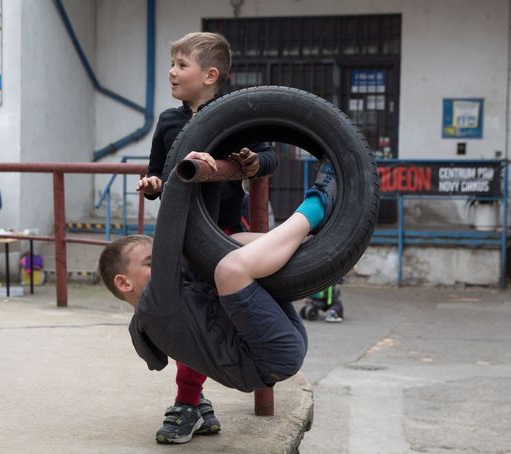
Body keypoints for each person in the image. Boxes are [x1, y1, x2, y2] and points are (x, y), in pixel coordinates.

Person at [99, 152, 337, 444]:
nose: (160, 266)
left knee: (228, 245)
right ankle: (316, 206)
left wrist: (206, 175)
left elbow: (201, 239)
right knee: (229, 270)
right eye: (150, 263)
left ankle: (312, 242)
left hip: (266, 344)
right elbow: (170, 233)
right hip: (269, 355)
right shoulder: (154, 308)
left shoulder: (163, 306)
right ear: (124, 283)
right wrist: (180, 176)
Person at [136, 32, 279, 442]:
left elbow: (268, 157)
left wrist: (251, 163)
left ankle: (186, 402)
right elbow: (158, 173)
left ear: (210, 75)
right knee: (182, 312)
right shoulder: (168, 121)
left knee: (203, 316)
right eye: (172, 64)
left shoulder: (235, 115)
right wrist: (151, 184)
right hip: (178, 233)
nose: (172, 72)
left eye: (182, 65)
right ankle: (196, 402)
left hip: (222, 233)